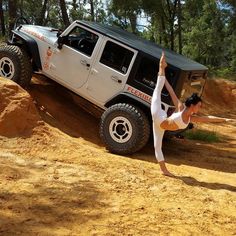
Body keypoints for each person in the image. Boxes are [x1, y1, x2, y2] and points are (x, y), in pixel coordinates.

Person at [151, 52, 233, 177]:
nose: (200, 108)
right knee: (157, 90)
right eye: (199, 106)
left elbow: (207, 119)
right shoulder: (180, 108)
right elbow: (172, 92)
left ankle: (164, 171)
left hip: (161, 125)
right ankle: (161, 66)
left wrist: (224, 120)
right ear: (193, 105)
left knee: (158, 146)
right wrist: (164, 77)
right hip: (157, 115)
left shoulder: (191, 117)